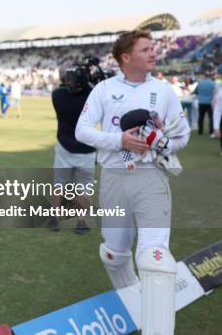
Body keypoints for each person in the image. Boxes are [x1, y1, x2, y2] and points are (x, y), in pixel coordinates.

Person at [76, 30, 190, 335]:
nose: (153, 53)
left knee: (155, 258)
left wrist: (159, 141)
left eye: (153, 48)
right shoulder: (103, 89)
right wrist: (119, 140)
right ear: (126, 57)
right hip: (113, 178)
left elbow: (182, 136)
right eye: (146, 49)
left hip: (151, 178)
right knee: (114, 255)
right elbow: (82, 131)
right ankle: (138, 308)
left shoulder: (164, 91)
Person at [49, 62, 96, 234]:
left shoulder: (57, 95)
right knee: (85, 188)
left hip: (64, 146)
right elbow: (96, 91)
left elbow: (63, 90)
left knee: (59, 185)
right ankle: (81, 222)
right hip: (87, 148)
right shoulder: (91, 95)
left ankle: (54, 219)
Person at [193, 70, 216, 136]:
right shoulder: (212, 83)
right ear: (210, 76)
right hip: (210, 103)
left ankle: (200, 131)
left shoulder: (200, 83)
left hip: (201, 102)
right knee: (211, 117)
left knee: (201, 117)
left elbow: (195, 92)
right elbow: (215, 93)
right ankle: (211, 132)